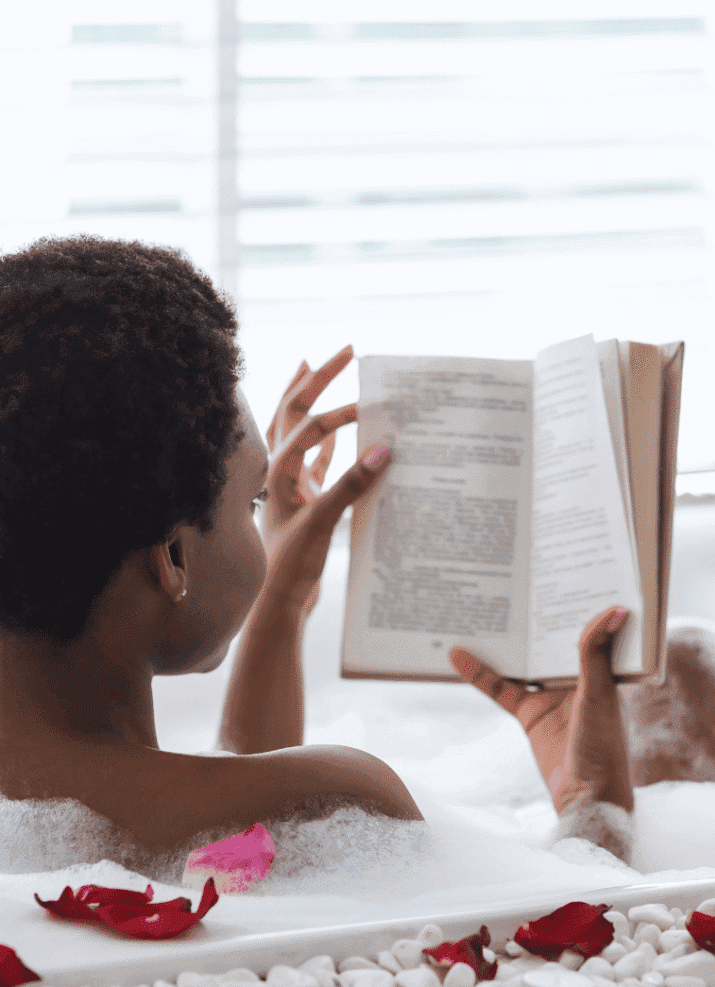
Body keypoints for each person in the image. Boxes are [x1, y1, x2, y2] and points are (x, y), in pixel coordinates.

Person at [0, 234, 688, 878]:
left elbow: (223, 835)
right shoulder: (340, 805)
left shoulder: (56, 831)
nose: (261, 519)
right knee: (683, 675)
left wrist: (283, 600)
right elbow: (566, 936)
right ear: (173, 558)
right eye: (252, 501)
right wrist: (594, 802)